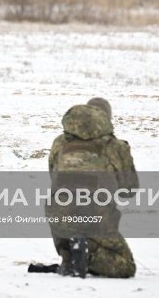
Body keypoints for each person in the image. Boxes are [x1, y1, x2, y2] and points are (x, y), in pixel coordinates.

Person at [47, 97, 138, 278]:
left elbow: (54, 175)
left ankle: (71, 255)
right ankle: (86, 254)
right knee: (126, 266)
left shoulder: (60, 142)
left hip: (59, 219)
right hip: (96, 218)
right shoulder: (114, 146)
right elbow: (130, 189)